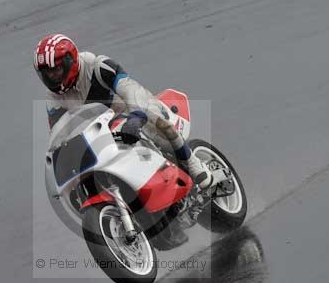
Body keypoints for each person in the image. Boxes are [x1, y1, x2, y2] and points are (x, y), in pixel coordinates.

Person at [33, 33, 219, 190]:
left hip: (131, 115)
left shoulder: (98, 66)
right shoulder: (54, 100)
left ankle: (192, 162)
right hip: (100, 136)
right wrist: (56, 160)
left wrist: (137, 116)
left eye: (56, 70)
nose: (53, 76)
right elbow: (59, 134)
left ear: (69, 60)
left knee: (156, 120)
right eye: (47, 73)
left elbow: (130, 89)